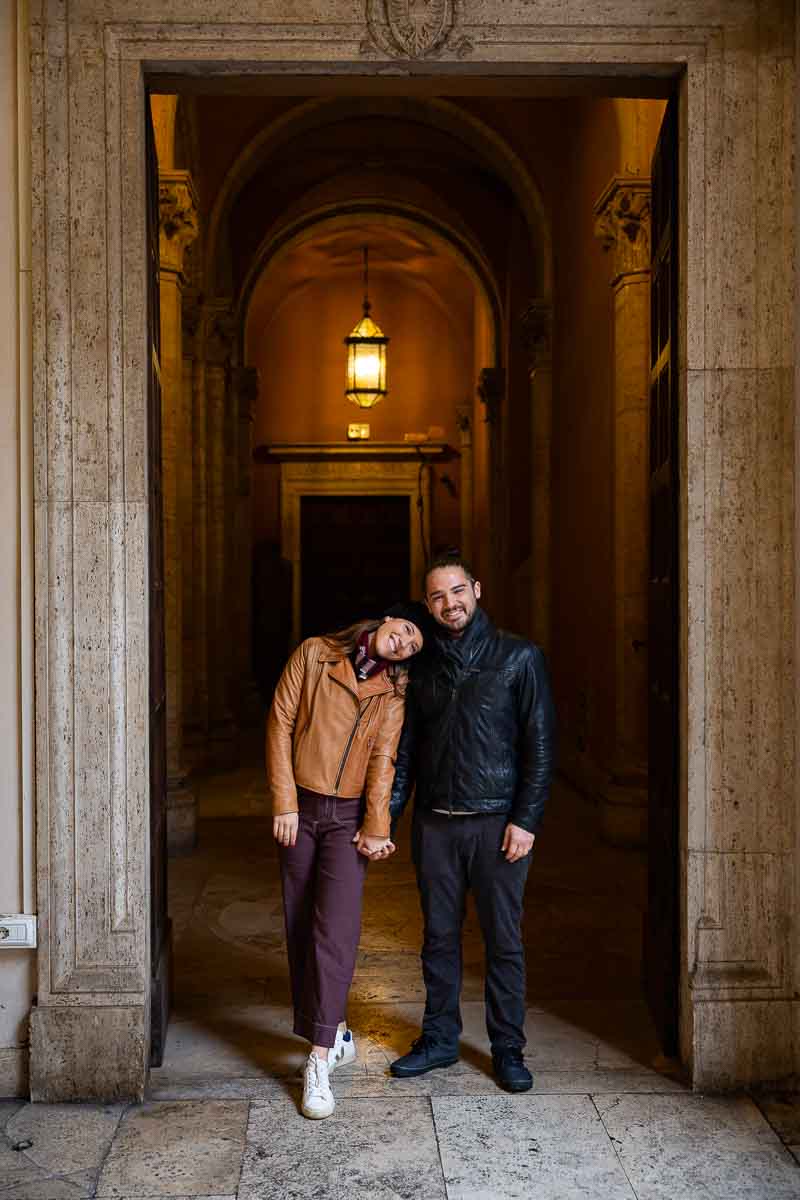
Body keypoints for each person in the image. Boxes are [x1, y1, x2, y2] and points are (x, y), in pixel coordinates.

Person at [388, 555, 556, 1093]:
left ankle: (508, 1048)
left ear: (477, 589)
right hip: (435, 824)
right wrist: (385, 818)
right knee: (438, 938)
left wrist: (525, 820)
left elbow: (540, 748)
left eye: (457, 592)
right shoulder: (423, 663)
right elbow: (407, 749)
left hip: (497, 825)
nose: (449, 604)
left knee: (503, 941)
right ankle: (439, 1040)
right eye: (436, 597)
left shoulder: (519, 656)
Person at [266, 603, 428, 1119]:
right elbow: (279, 723)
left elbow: (384, 760)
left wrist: (376, 827)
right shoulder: (314, 654)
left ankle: (317, 1058)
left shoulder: (392, 693)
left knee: (335, 928)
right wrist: (285, 802)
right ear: (384, 621)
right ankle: (331, 1031)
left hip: (346, 818)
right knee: (298, 922)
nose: (404, 643)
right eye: (405, 630)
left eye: (414, 645)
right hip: (301, 809)